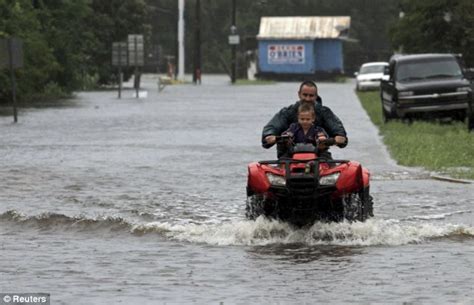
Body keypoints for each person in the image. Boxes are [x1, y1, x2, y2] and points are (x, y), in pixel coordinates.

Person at [262, 80, 347, 154]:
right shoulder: (287, 112)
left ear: (316, 96)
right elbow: (272, 127)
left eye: (311, 96)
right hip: (289, 157)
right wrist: (269, 135)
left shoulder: (324, 112)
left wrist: (340, 137)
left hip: (318, 156)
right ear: (299, 94)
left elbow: (337, 129)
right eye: (305, 95)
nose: (307, 98)